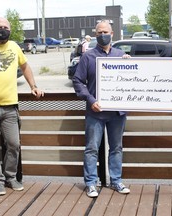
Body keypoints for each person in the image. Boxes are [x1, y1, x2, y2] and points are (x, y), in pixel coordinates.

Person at [0, 17, 44, 196]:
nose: (3, 30)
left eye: (6, 27)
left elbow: (25, 66)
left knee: (13, 144)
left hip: (10, 107)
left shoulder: (14, 46)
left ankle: (10, 177)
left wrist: (33, 86)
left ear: (10, 30)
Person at [72, 20, 130, 198]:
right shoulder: (88, 57)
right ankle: (91, 183)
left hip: (117, 113)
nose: (102, 35)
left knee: (116, 148)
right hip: (95, 112)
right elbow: (77, 81)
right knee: (91, 149)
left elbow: (134, 81)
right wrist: (91, 100)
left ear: (112, 34)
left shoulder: (121, 55)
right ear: (95, 35)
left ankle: (116, 181)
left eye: (105, 32)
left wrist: (132, 65)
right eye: (99, 32)